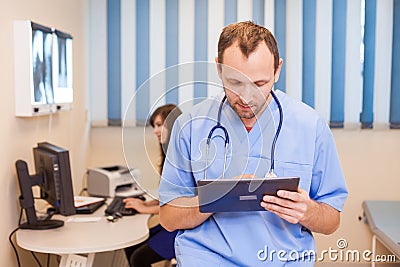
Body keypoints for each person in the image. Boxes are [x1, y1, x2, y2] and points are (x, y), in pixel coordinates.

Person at [158, 21, 348, 266]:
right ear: (218, 68)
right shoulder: (190, 126)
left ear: (277, 70)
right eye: (235, 83)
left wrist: (308, 211)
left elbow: (331, 220)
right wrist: (216, 197)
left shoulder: (310, 126)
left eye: (259, 84)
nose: (246, 97)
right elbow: (169, 218)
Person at [124, 104, 181, 267]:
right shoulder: (169, 154)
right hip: (172, 224)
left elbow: (178, 204)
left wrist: (145, 209)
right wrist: (145, 204)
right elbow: (169, 195)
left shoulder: (182, 157)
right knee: (131, 246)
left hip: (184, 227)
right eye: (154, 126)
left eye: (159, 125)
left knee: (139, 258)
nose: (156, 131)